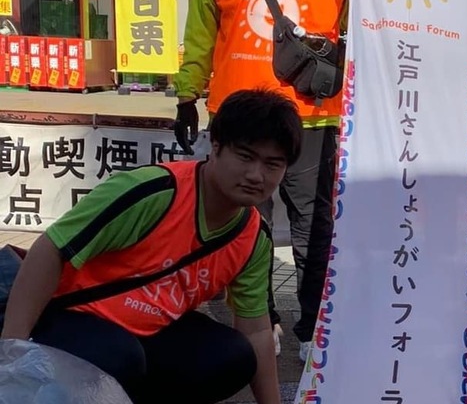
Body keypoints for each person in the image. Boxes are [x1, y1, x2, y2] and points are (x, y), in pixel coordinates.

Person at [0, 89, 300, 404]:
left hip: (145, 333)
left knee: (233, 355)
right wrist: (13, 353)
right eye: (245, 156)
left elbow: (256, 330)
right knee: (120, 356)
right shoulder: (153, 191)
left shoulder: (253, 236)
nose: (256, 175)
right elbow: (50, 248)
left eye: (272, 164)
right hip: (65, 314)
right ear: (215, 146)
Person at [172, 0, 347, 361]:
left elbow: (367, 19)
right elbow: (202, 28)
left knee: (316, 226)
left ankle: (315, 324)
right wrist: (187, 93)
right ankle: (260, 318)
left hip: (311, 114)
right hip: (240, 114)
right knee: (247, 222)